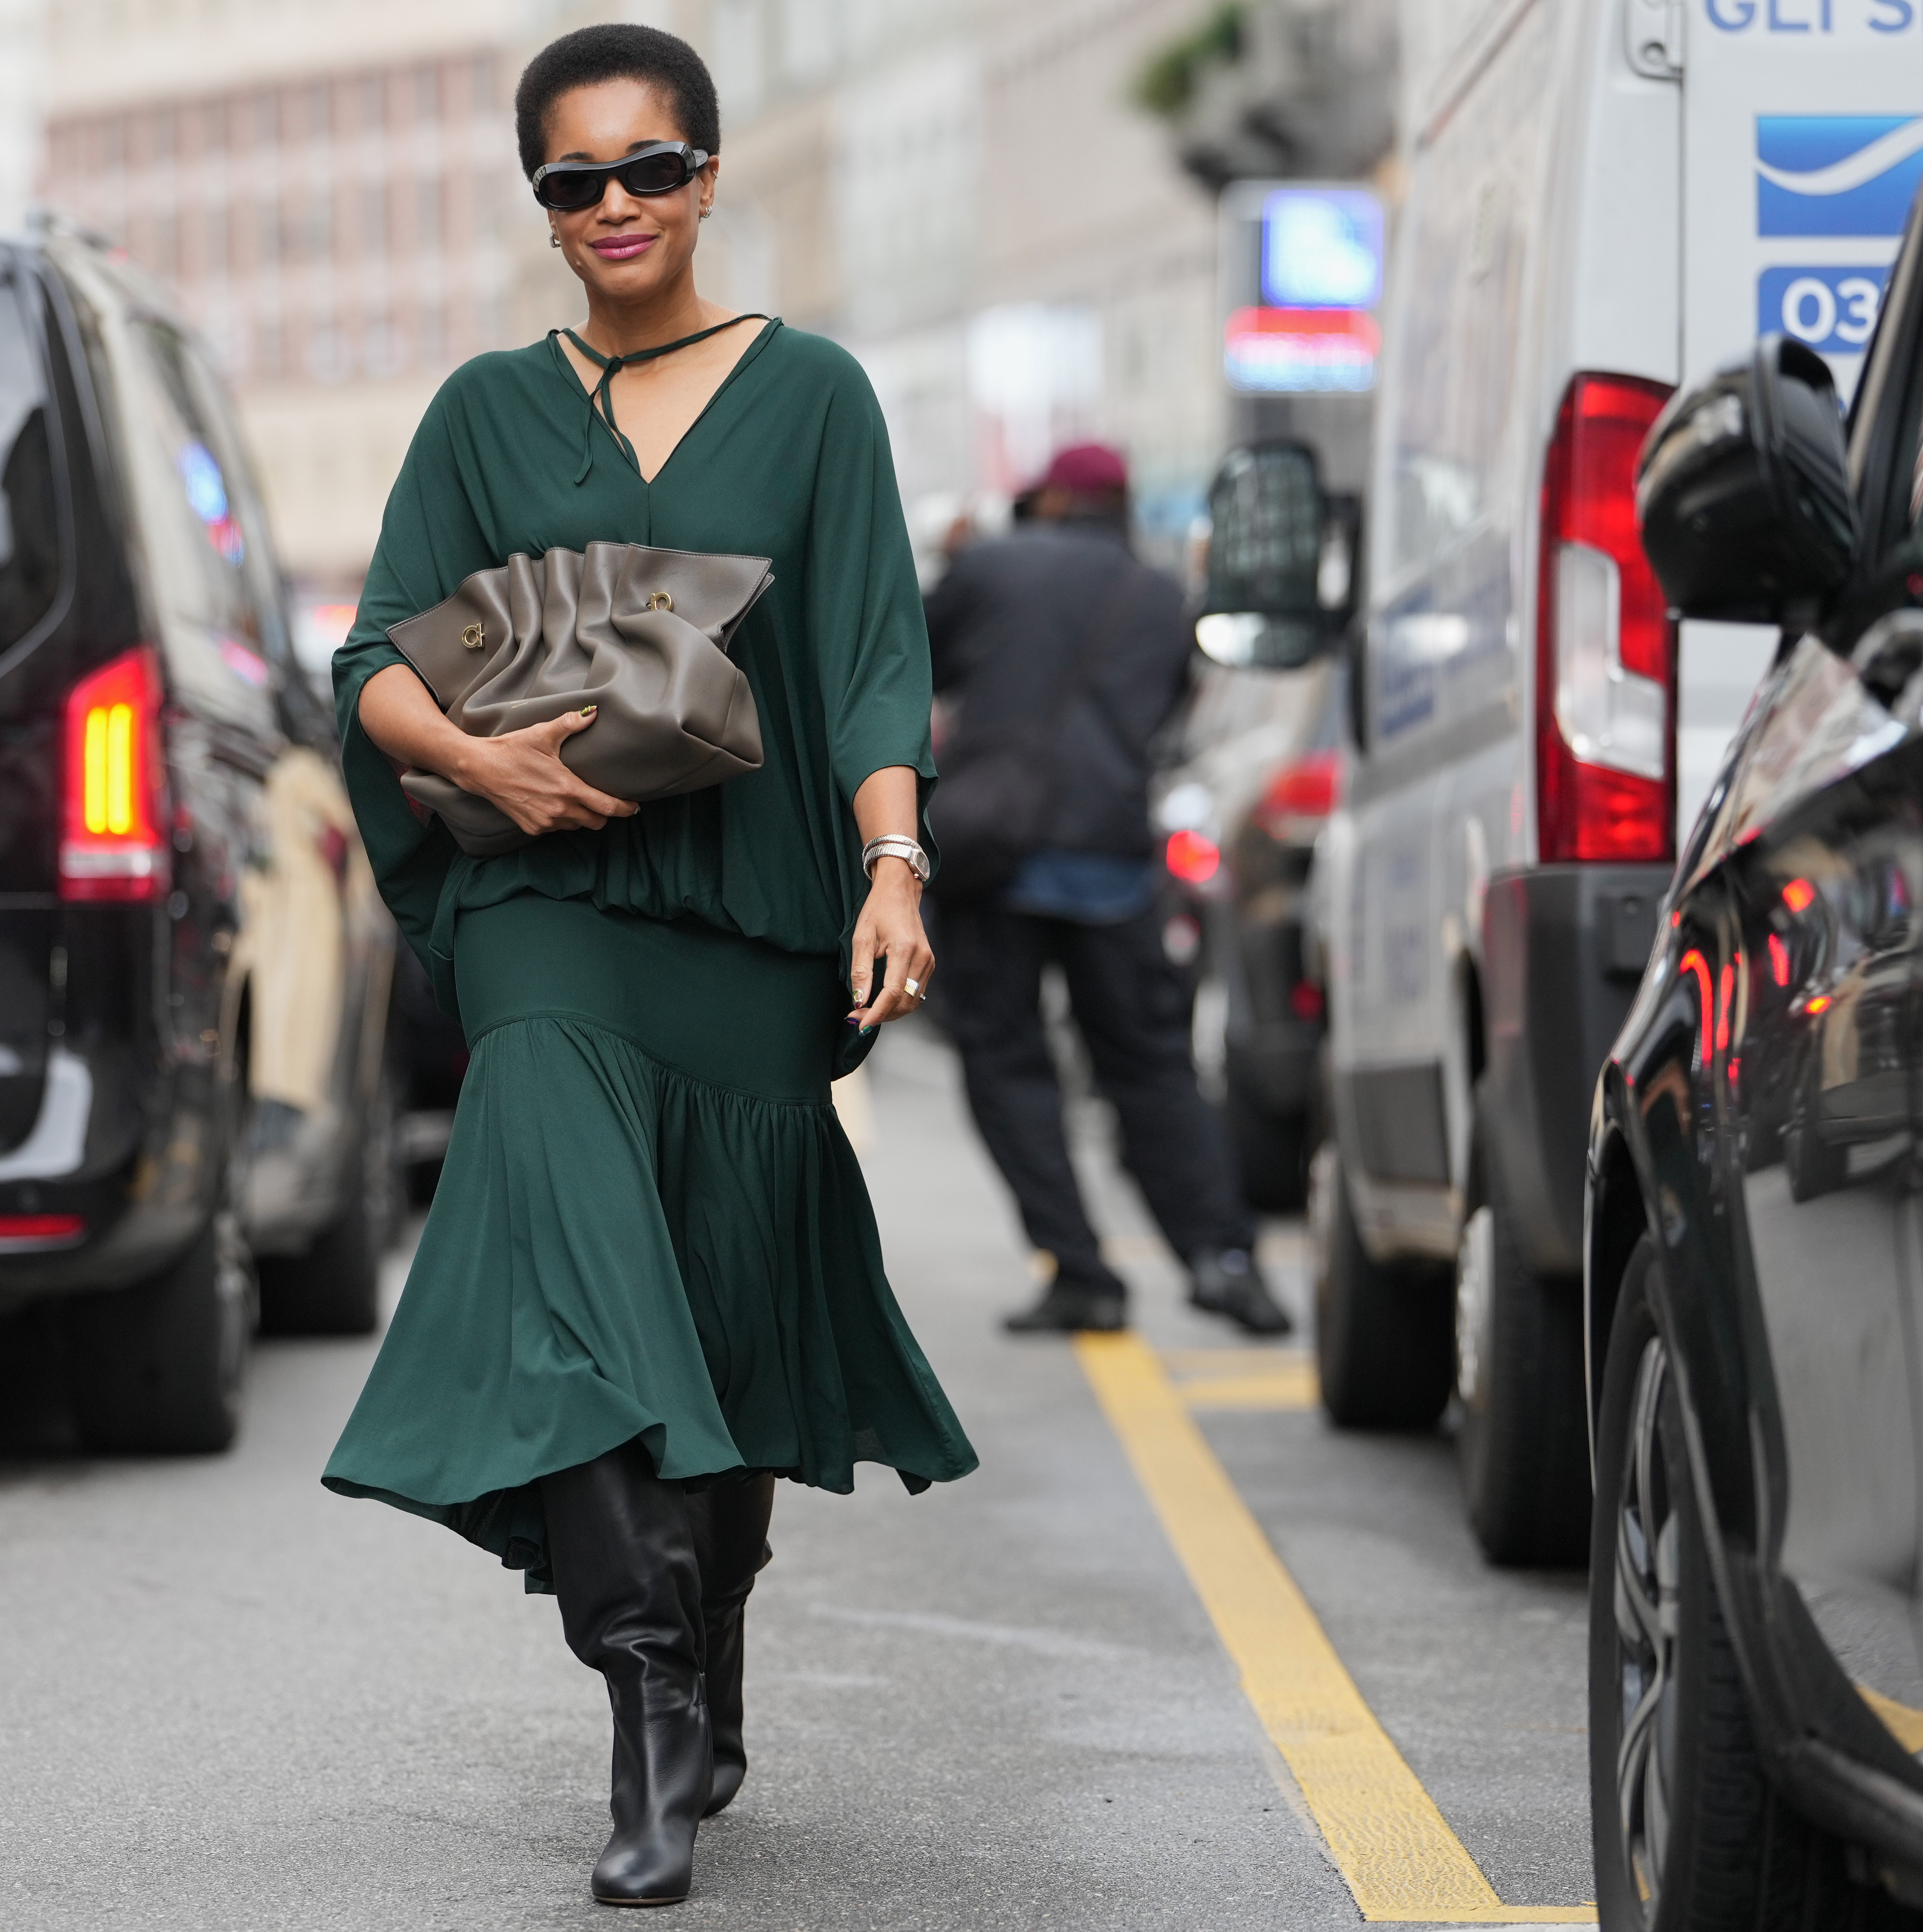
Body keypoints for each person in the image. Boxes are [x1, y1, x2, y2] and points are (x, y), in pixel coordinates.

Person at [318, 23, 974, 1908]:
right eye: (572, 180)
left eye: (648, 168)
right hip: (546, 914)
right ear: (540, 202)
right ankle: (647, 1691)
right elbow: (373, 655)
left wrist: (893, 866)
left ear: (707, 174)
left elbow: (869, 654)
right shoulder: (480, 412)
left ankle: (708, 1621)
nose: (614, 206)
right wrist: (470, 759)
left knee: (722, 1298)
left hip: (754, 925)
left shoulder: (819, 394)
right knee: (575, 1239)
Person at [924, 444, 1289, 1337]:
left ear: (1045, 501)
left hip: (996, 857)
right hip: (1112, 864)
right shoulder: (1159, 596)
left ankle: (1080, 1270)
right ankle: (1220, 1257)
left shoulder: (988, 566)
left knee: (1006, 1065)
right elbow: (1167, 718)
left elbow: (912, 661)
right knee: (1150, 1067)